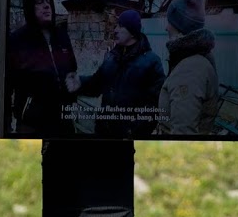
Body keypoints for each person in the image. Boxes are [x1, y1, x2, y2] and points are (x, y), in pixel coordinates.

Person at [66, 9, 165, 138]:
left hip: (127, 137)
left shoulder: (151, 62)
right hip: (103, 132)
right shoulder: (111, 57)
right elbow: (97, 83)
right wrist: (80, 83)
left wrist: (133, 131)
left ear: (132, 31)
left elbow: (155, 106)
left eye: (120, 26)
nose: (115, 30)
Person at [4, 0, 78, 137]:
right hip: (31, 123)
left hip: (63, 120)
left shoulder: (62, 36)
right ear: (30, 8)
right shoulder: (18, 40)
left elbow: (72, 68)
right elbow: (7, 84)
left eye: (48, 1)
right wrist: (6, 126)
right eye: (39, 2)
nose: (46, 6)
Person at [155, 0, 220, 135]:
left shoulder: (190, 69)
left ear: (181, 27)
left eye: (170, 21)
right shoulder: (193, 59)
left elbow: (183, 132)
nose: (166, 27)